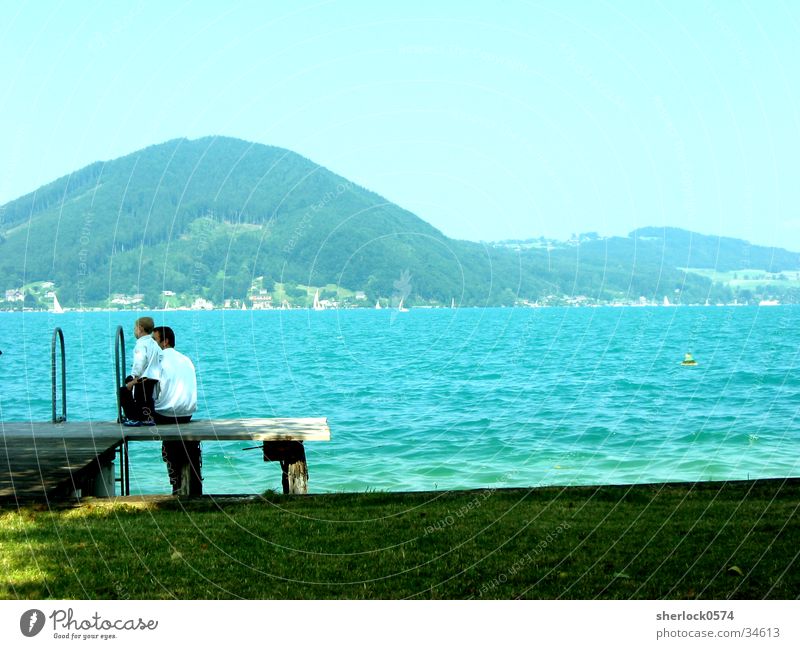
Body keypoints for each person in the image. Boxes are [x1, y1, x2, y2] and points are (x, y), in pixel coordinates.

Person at [152, 326, 201, 494]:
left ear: (165, 342)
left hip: (165, 415)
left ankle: (176, 483)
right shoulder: (186, 359)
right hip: (187, 413)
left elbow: (150, 391)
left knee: (169, 445)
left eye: (154, 341)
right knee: (180, 445)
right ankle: (187, 482)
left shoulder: (157, 359)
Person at [119, 316, 161, 425]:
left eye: (134, 328)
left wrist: (134, 377)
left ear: (140, 328)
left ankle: (136, 418)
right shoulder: (154, 343)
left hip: (143, 377)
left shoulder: (141, 344)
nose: (134, 331)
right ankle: (148, 418)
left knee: (138, 398)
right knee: (147, 399)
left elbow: (140, 361)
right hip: (154, 376)